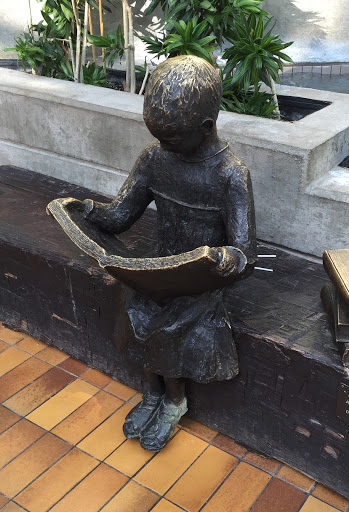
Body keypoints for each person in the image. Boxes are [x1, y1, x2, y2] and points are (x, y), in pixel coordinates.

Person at [82, 55, 257, 451]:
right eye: (159, 137)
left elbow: (246, 250)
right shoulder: (154, 158)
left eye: (172, 139)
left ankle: (174, 401)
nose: (163, 146)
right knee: (135, 310)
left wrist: (230, 258)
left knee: (168, 328)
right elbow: (122, 213)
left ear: (206, 127)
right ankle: (152, 392)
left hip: (199, 277)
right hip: (160, 266)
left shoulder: (230, 173)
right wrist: (91, 213)